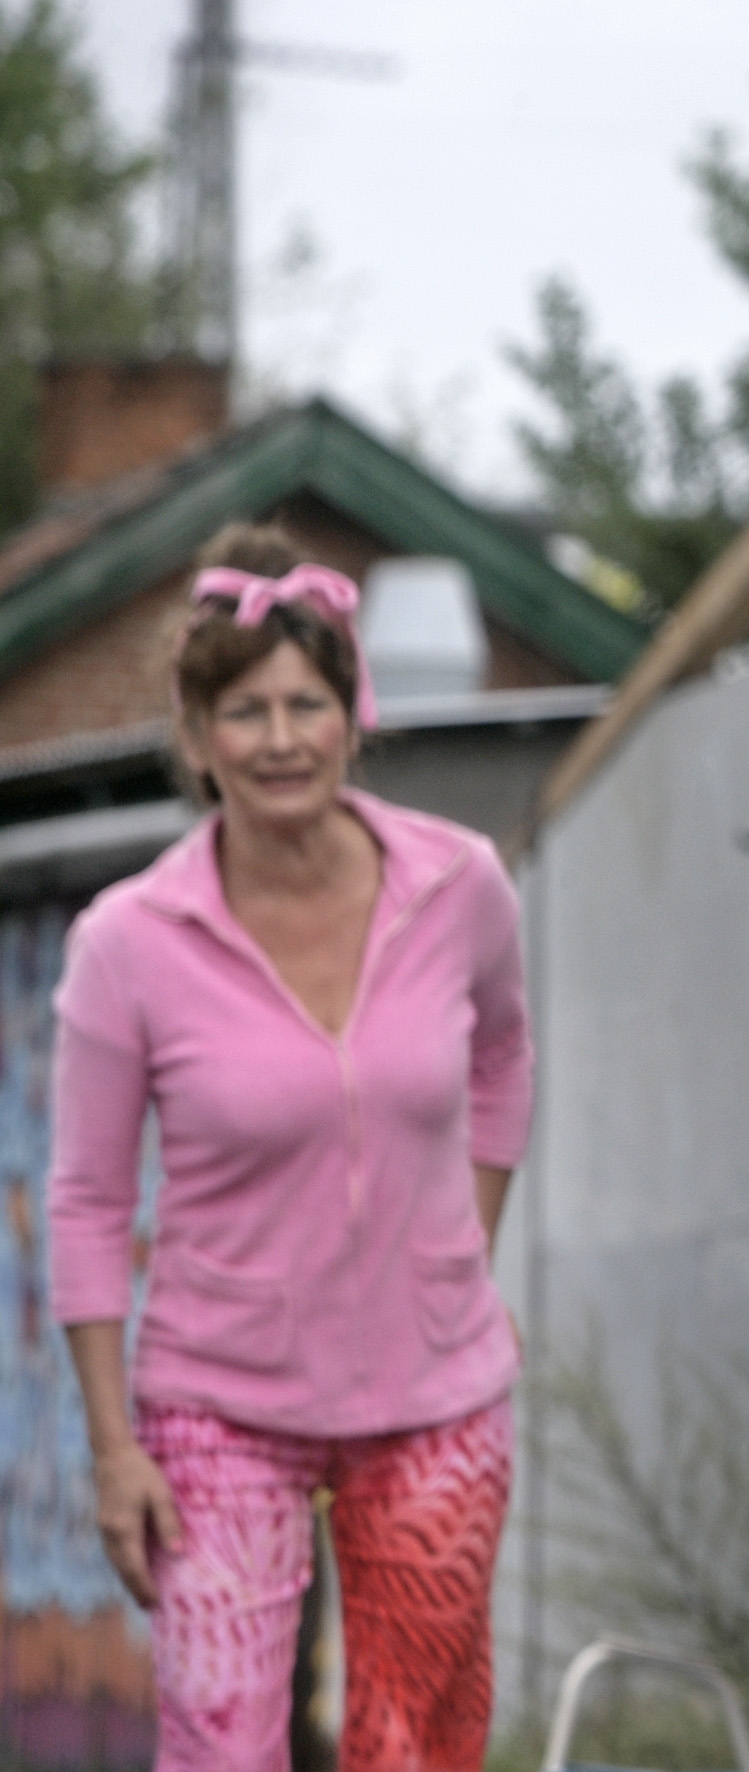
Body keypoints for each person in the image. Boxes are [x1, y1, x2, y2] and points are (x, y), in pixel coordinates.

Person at [48, 524, 532, 1772]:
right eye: (246, 710)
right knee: (218, 1744)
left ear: (354, 711)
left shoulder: (461, 885)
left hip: (436, 1400)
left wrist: (463, 1254)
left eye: (306, 703)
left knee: (411, 1745)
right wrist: (112, 1449)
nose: (280, 739)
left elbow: (501, 1063)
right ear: (199, 734)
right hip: (217, 1405)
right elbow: (92, 1200)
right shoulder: (129, 940)